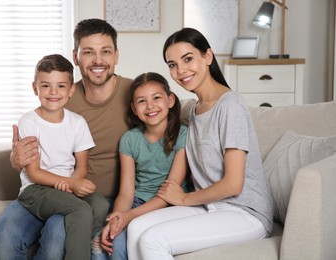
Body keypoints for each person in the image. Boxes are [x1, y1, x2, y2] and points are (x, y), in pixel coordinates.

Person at [0, 18, 133, 259]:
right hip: (52, 190)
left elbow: (163, 130)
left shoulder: (136, 94)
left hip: (92, 196)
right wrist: (17, 158)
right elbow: (37, 143)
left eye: (105, 52)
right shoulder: (62, 95)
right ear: (76, 56)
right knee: (6, 238)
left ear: (116, 55)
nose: (98, 60)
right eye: (89, 52)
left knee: (59, 235)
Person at [126, 27, 274, 259]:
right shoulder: (194, 110)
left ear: (207, 56)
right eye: (172, 64)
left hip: (245, 212)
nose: (180, 70)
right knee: (135, 227)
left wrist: (184, 199)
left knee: (153, 240)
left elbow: (233, 184)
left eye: (187, 59)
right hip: (209, 206)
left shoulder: (230, 106)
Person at [15, 54, 109, 260]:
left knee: (101, 203)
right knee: (81, 210)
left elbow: (82, 165)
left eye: (60, 86)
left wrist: (74, 183)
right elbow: (34, 172)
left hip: (66, 186)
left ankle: (91, 240)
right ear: (35, 88)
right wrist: (70, 185)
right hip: (36, 189)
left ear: (71, 90)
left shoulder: (77, 122)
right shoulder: (29, 121)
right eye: (46, 86)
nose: (53, 92)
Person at [96, 72, 188, 259]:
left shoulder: (183, 136)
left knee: (125, 246)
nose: (150, 106)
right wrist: (117, 219)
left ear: (170, 100)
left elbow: (169, 193)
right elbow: (126, 192)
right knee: (109, 246)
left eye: (156, 98)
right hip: (137, 201)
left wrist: (129, 216)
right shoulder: (130, 140)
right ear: (134, 108)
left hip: (169, 205)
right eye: (141, 101)